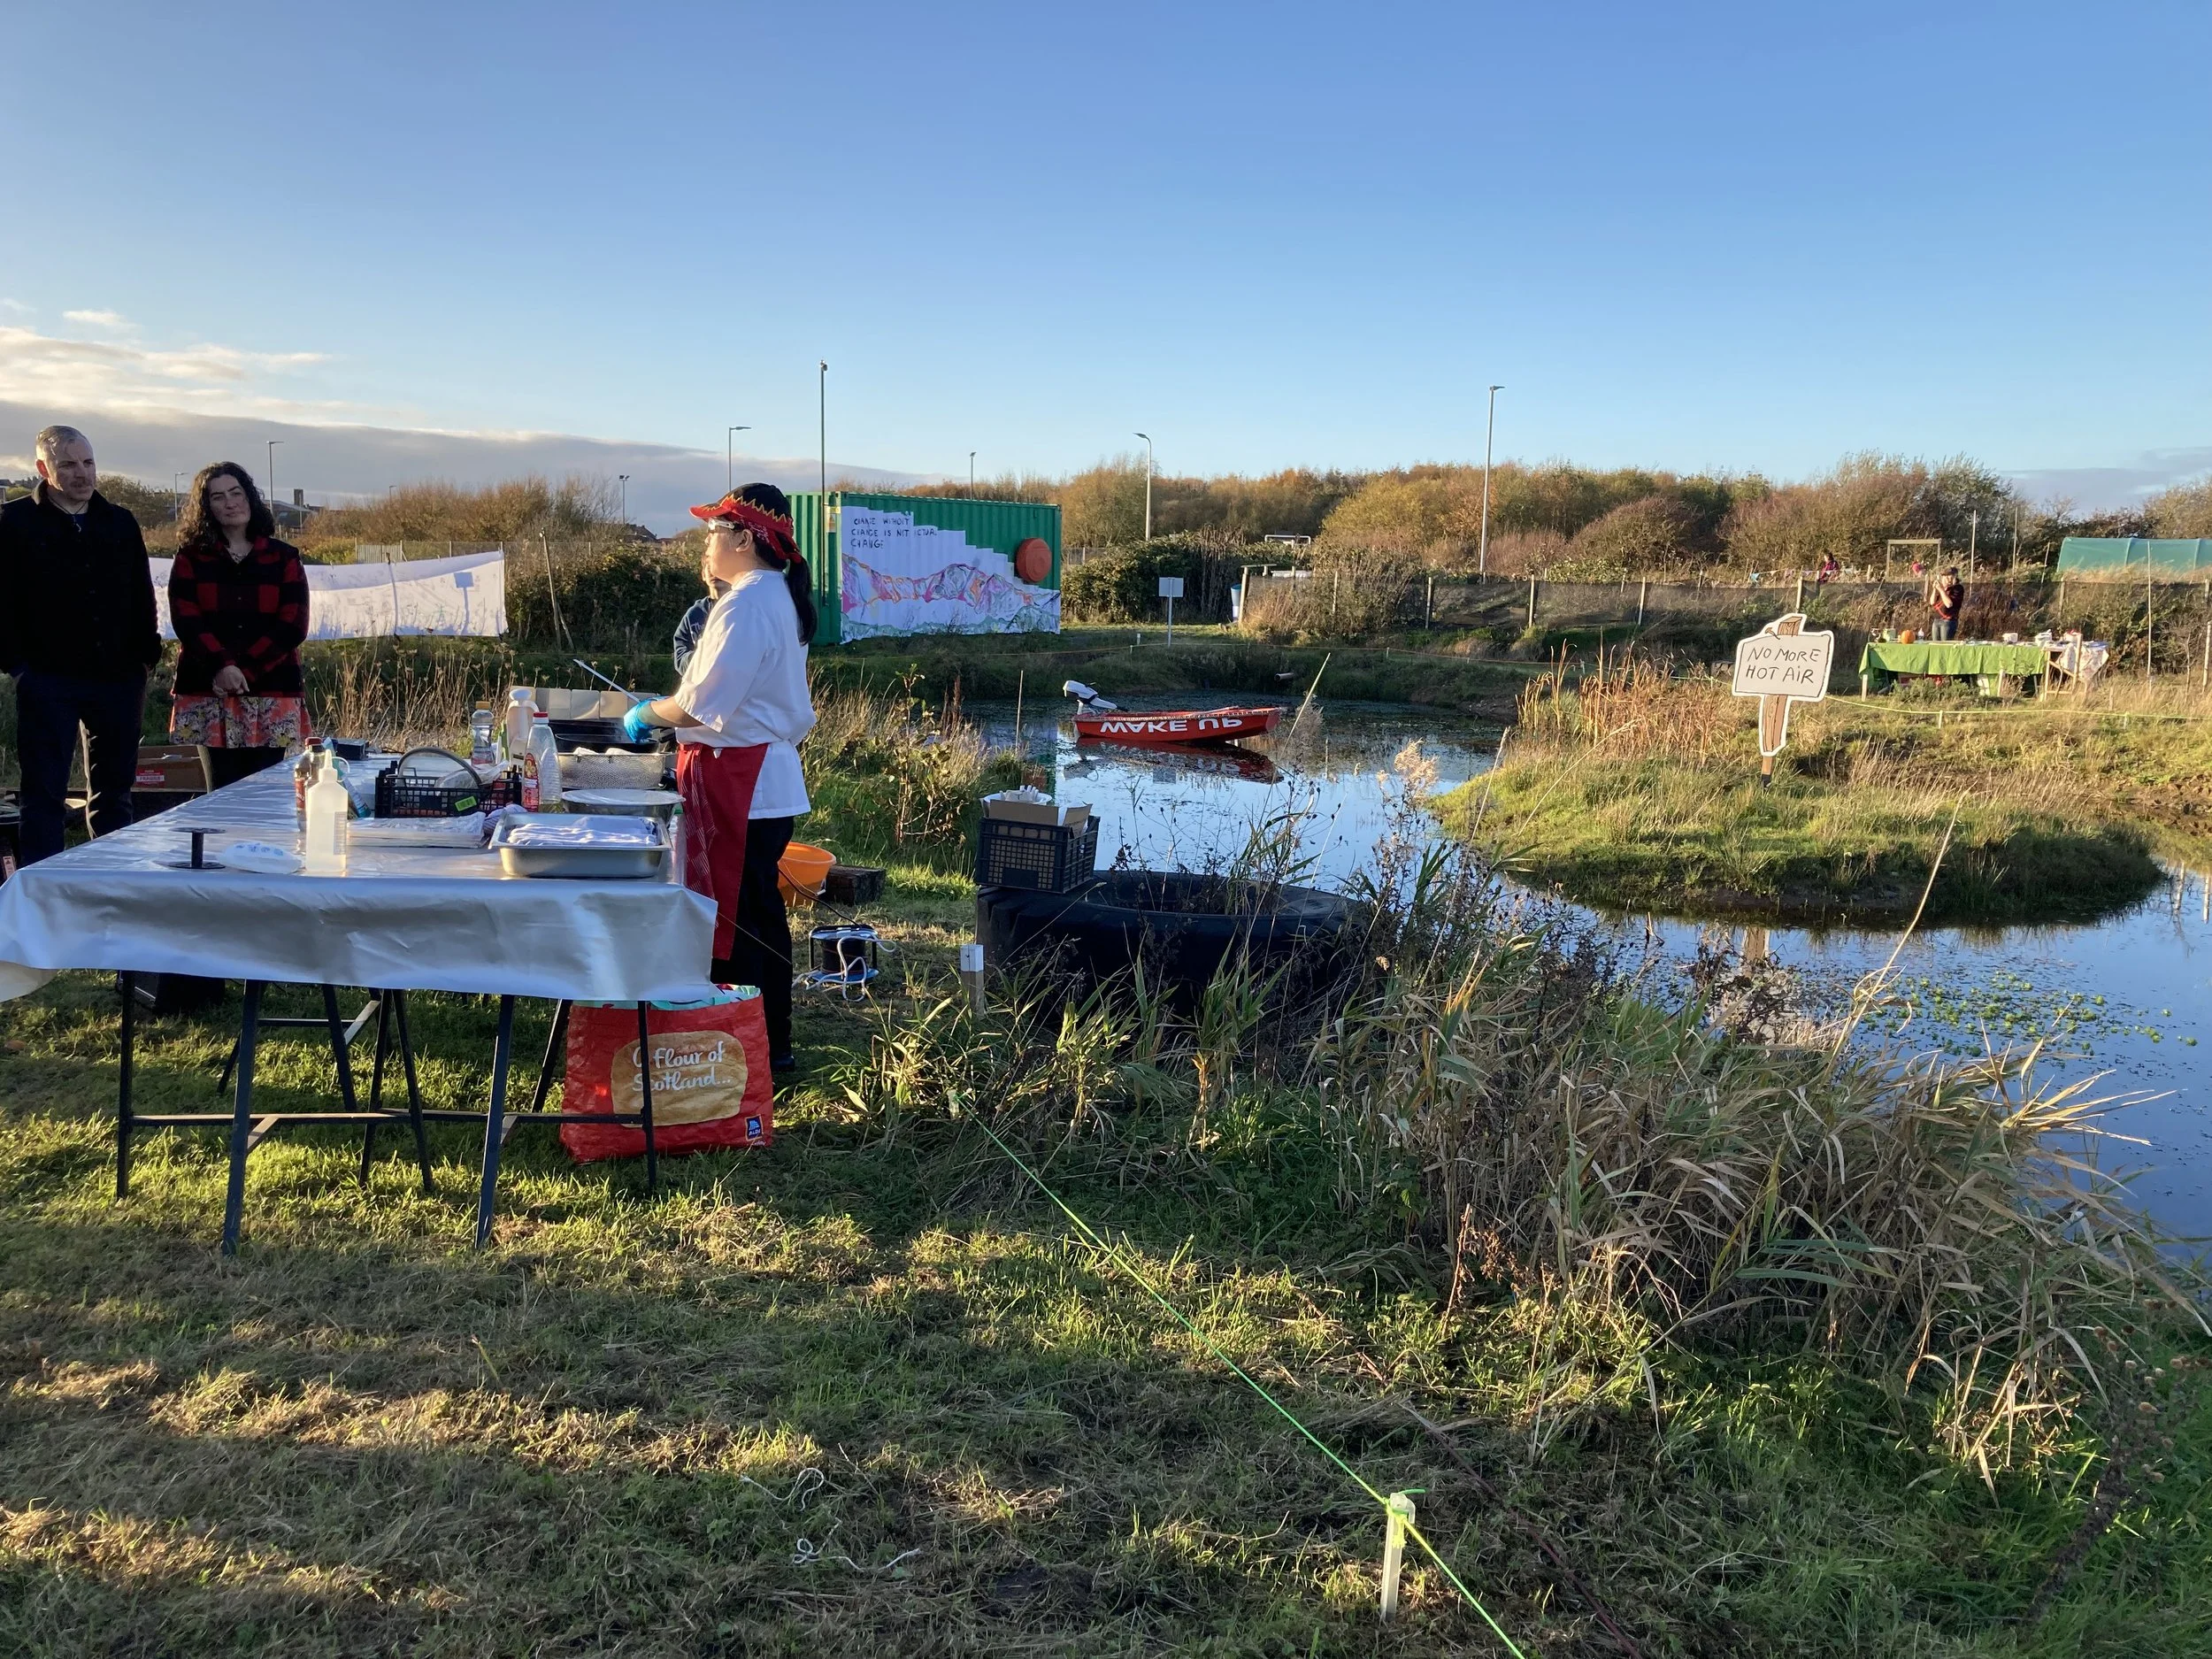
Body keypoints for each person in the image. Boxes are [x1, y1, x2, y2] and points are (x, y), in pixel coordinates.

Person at [623, 484, 816, 1068]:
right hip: (757, 776)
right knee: (759, 913)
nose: (705, 545)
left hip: (742, 778)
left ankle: (746, 1049)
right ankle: (767, 1044)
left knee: (737, 919)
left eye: (713, 532)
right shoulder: (772, 594)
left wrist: (646, 714)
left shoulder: (747, 604)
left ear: (744, 538)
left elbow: (698, 706)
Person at [0, 425, 160, 865]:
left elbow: (141, 594)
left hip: (118, 677)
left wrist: (145, 658)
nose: (81, 473)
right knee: (43, 794)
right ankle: (43, 892)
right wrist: (18, 667)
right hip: (46, 678)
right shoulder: (12, 522)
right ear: (43, 468)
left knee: (115, 795)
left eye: (88, 463)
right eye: (68, 464)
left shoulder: (120, 521)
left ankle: (110, 880)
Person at [168, 464, 311, 787]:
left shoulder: (284, 557)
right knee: (220, 791)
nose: (230, 503)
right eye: (218, 497)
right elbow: (186, 619)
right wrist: (221, 667)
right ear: (206, 507)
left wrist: (242, 670)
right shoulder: (190, 558)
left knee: (263, 792)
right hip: (209, 688)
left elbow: (293, 624)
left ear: (250, 497)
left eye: (236, 493)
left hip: (271, 687)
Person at [672, 538, 728, 674]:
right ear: (703, 575)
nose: (713, 572)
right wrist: (701, 660)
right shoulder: (695, 613)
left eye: (718, 566)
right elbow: (680, 657)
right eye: (708, 566)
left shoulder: (742, 607)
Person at [1929, 566, 1963, 641]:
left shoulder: (1957, 588)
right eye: (1944, 577)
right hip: (1937, 620)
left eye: (1949, 577)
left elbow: (1949, 604)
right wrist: (1935, 589)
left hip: (1948, 621)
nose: (1946, 579)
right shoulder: (1942, 588)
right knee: (1935, 644)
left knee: (1945, 644)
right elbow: (1932, 602)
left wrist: (1941, 590)